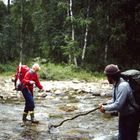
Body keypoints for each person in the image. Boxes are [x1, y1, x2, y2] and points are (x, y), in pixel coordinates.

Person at [99, 64, 139, 140]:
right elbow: (115, 100)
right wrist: (105, 104)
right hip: (123, 116)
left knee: (131, 138)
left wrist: (105, 108)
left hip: (132, 116)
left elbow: (118, 105)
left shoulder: (123, 86)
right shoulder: (115, 84)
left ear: (111, 77)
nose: (107, 78)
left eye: (107, 76)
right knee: (121, 138)